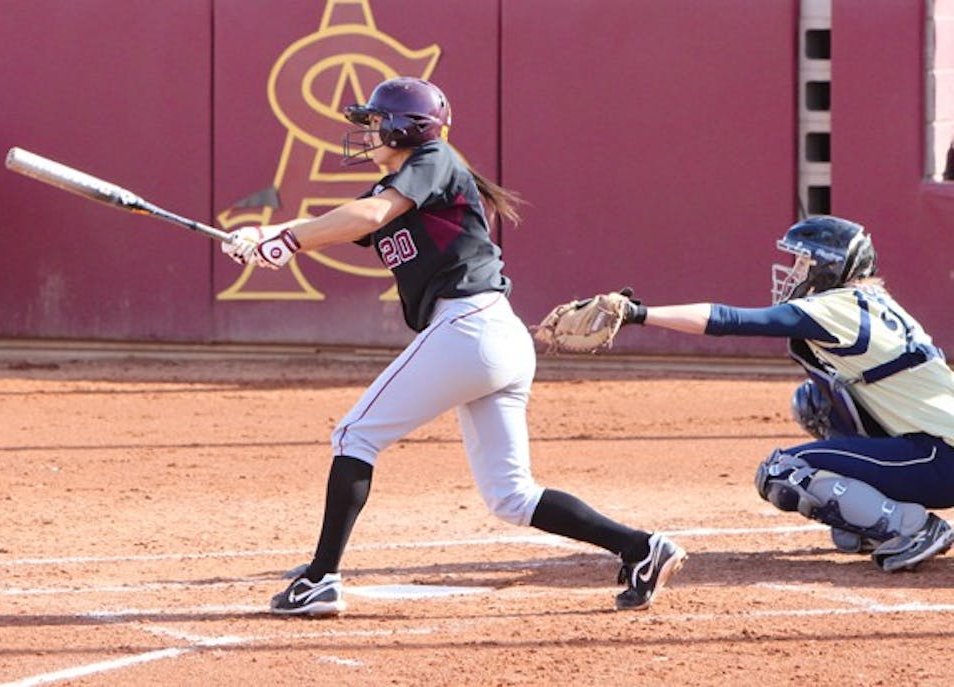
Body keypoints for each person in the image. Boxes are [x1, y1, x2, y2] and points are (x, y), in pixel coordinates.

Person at [220, 76, 686, 616]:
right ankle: (641, 547)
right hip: (492, 335)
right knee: (512, 496)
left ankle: (320, 579)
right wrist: (266, 236)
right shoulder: (400, 185)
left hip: (469, 327)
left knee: (354, 434)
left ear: (404, 128)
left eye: (376, 121)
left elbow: (366, 218)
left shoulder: (433, 159)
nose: (369, 131)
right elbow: (349, 222)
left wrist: (289, 239)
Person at [604, 215, 954, 571]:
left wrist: (638, 313)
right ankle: (876, 520)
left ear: (829, 267)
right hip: (937, 446)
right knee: (814, 403)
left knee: (781, 470)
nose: (796, 270)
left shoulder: (836, 307)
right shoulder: (878, 302)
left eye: (805, 262)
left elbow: (729, 320)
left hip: (941, 457)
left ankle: (912, 528)